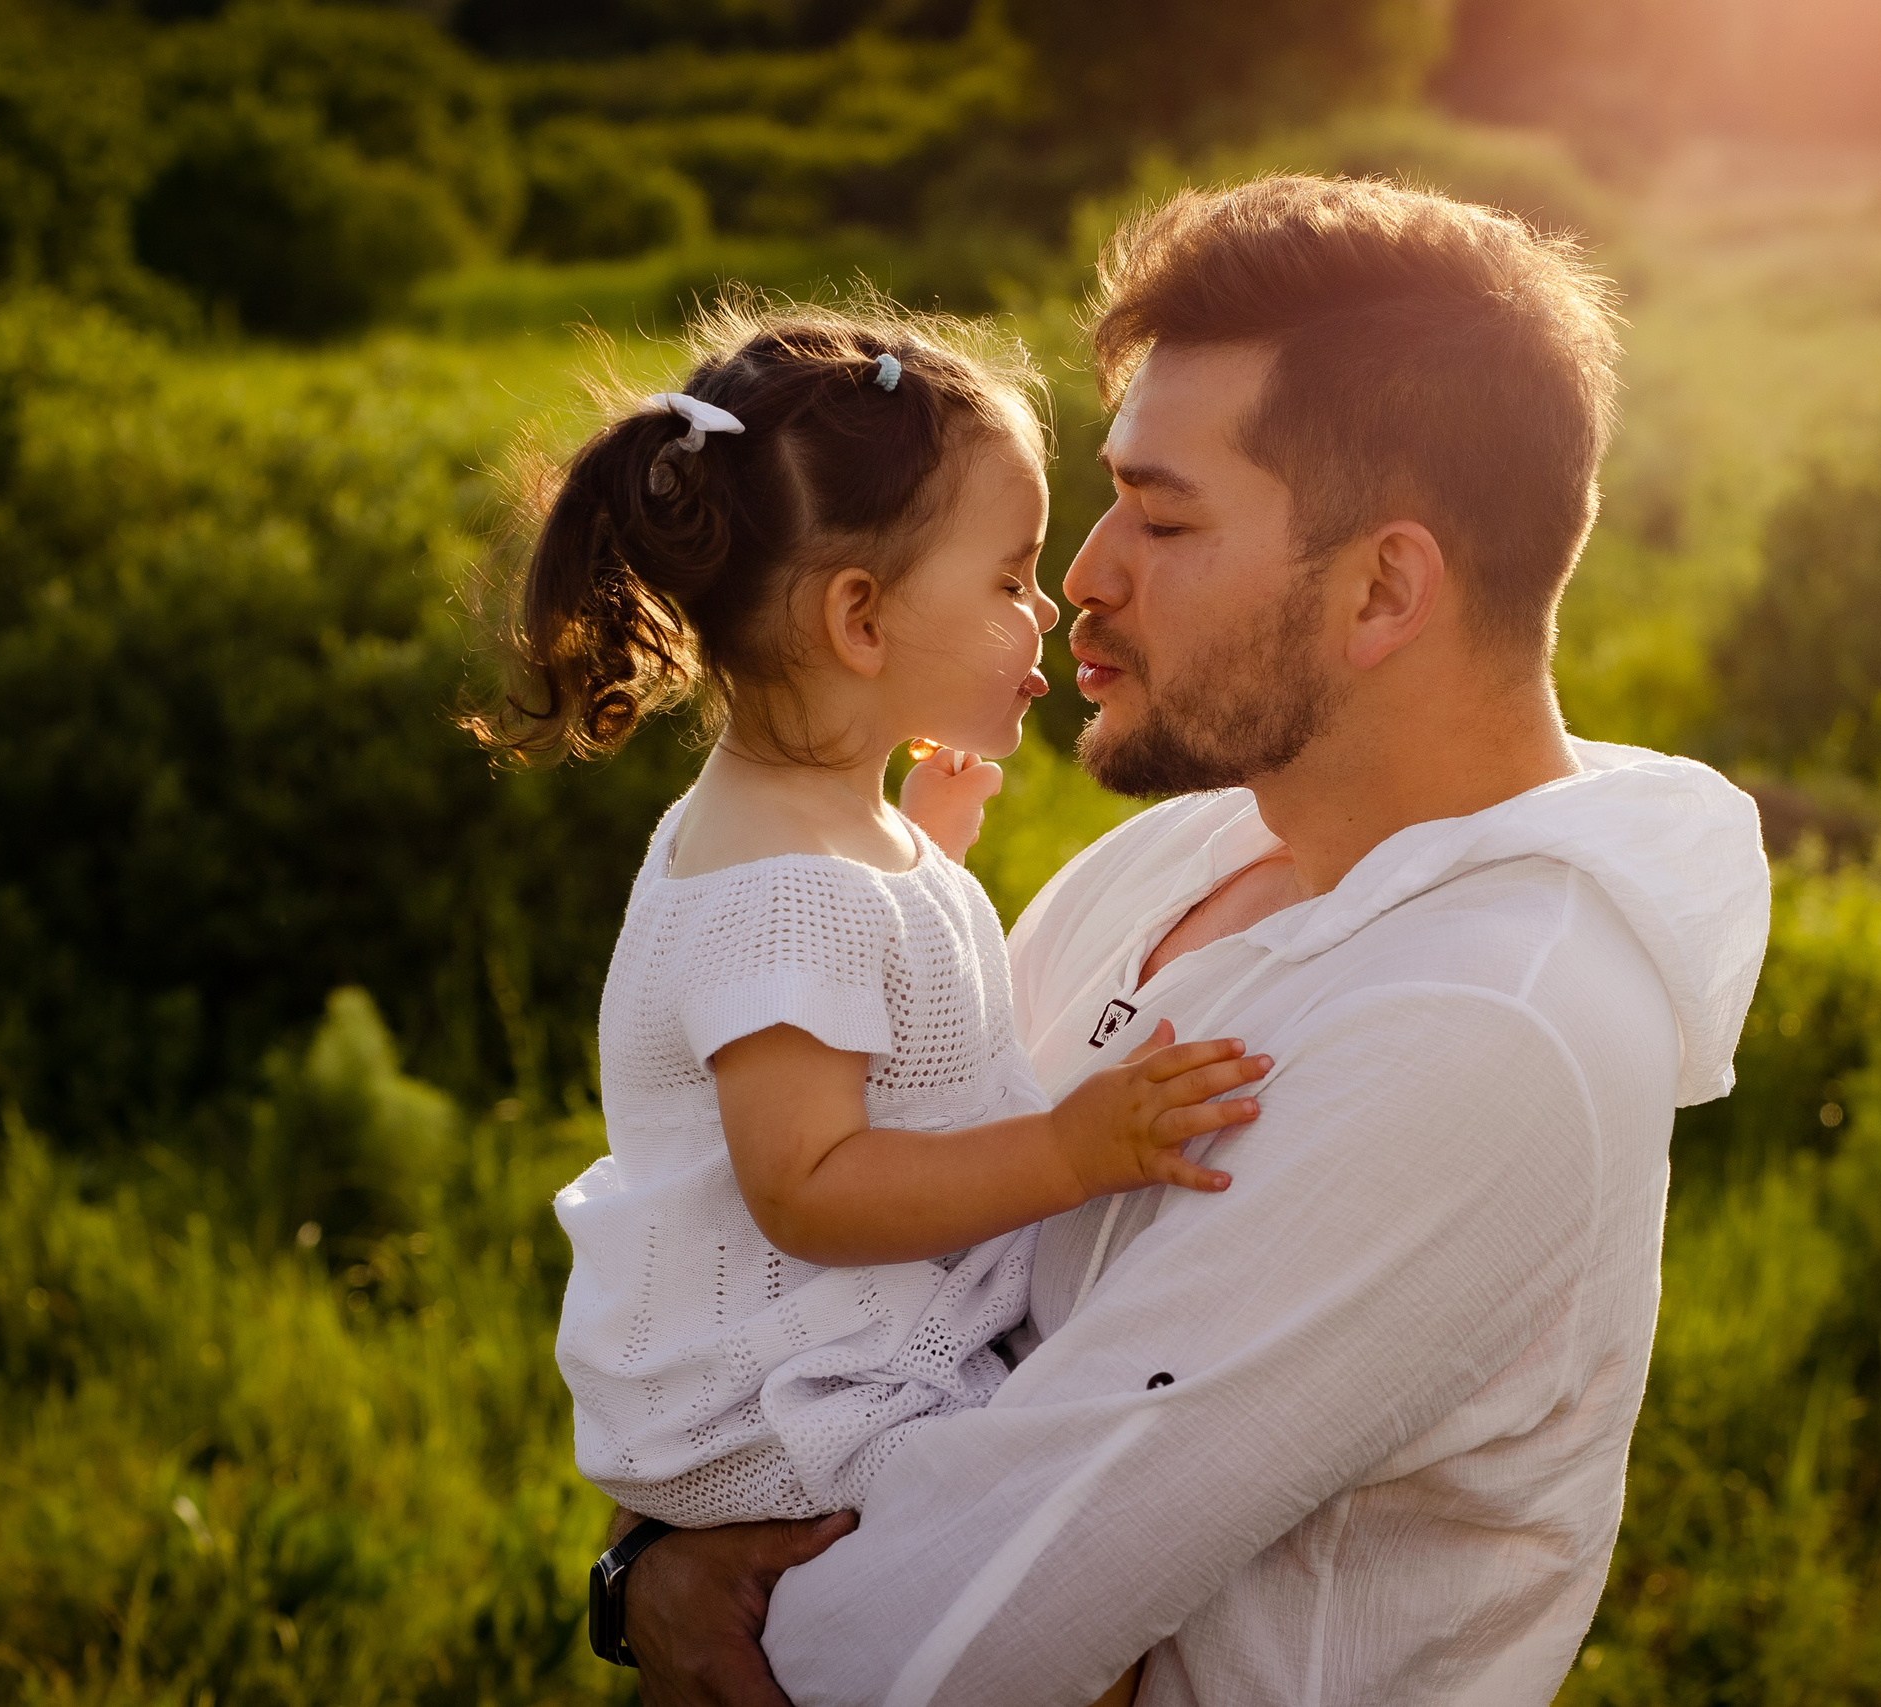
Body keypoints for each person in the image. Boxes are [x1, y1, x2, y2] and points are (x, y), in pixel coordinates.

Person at [619, 177, 1773, 1707]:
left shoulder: (1495, 1025)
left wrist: (697, 1590)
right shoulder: (1179, 850)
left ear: (1384, 588)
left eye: (1163, 517)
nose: (1085, 575)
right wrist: (657, 1554)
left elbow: (929, 1649)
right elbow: (859, 1273)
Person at [474, 303, 1269, 1557]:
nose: (1045, 612)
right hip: (799, 1403)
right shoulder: (789, 888)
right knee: (1076, 1578)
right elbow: (809, 1187)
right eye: (1008, 579)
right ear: (861, 622)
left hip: (834, 1360)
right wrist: (1070, 1151)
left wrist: (924, 844)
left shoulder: (803, 839)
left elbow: (853, 1002)